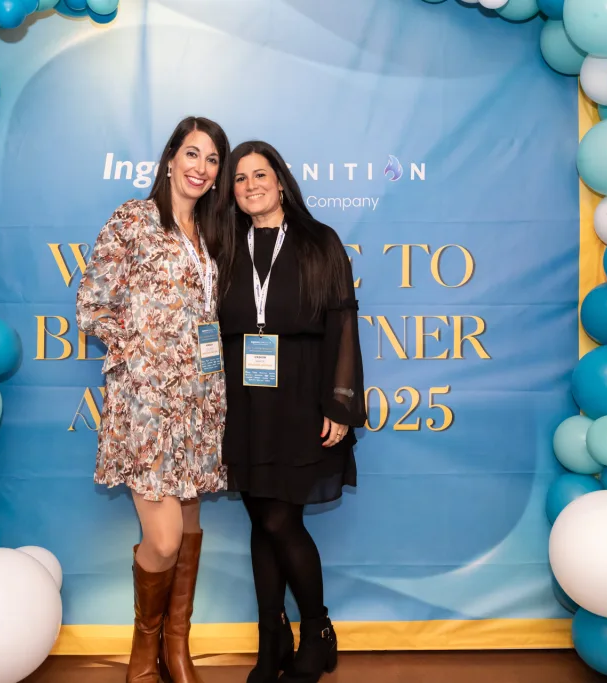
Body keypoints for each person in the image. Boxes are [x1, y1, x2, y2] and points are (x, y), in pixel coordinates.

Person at [76, 116, 232, 683]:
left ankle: (176, 646)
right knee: (162, 541)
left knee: (188, 524)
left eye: (212, 160)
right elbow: (91, 303)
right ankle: (145, 643)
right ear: (170, 159)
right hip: (146, 403)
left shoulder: (214, 232)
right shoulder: (133, 219)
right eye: (192, 153)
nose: (200, 168)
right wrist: (142, 348)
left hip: (201, 399)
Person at [217, 140, 367, 683]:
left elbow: (343, 323)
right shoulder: (223, 245)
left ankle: (317, 629)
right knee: (262, 519)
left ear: (281, 182)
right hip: (244, 400)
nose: (250, 185)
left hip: (303, 397)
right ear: (231, 192)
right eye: (240, 178)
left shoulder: (319, 241)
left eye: (260, 174)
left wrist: (341, 403)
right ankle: (271, 639)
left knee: (282, 519)